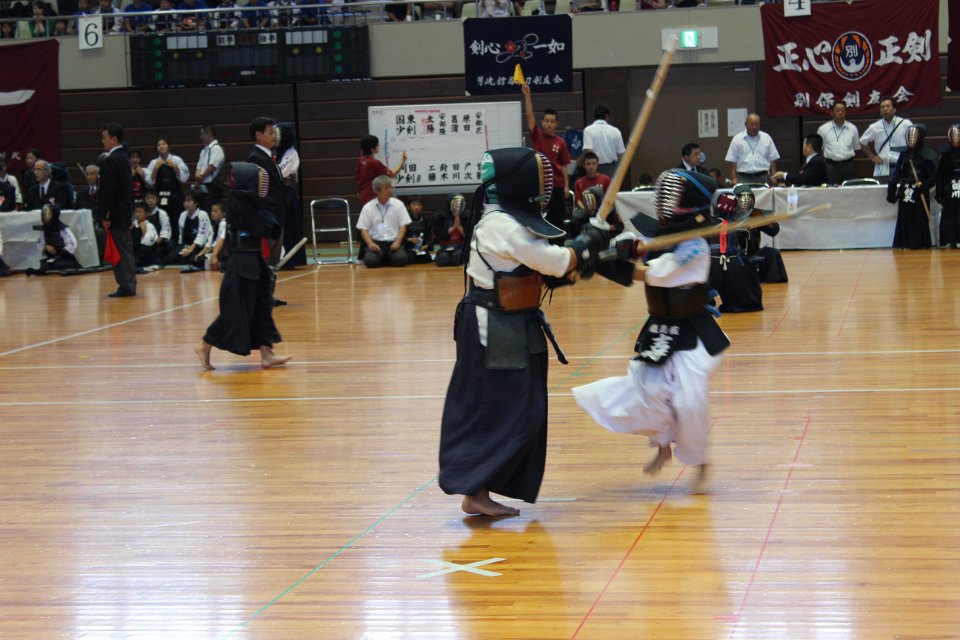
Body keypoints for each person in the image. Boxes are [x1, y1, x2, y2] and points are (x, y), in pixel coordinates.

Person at [438, 147, 611, 517]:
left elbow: (542, 269)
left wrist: (588, 247)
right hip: (494, 328)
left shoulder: (505, 220)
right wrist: (589, 241)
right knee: (504, 411)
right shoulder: (503, 225)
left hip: (511, 323)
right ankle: (475, 489)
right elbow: (556, 261)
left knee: (515, 409)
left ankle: (478, 489)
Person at [573, 169, 730, 491]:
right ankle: (662, 446)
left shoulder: (696, 248)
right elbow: (630, 245)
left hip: (693, 331)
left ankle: (700, 463)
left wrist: (610, 266)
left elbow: (654, 274)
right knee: (649, 390)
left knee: (689, 401)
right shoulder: (660, 238)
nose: (666, 202)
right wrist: (600, 247)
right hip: (661, 327)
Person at [194, 162, 290, 371]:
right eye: (259, 182)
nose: (263, 186)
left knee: (260, 306)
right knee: (239, 310)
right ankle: (204, 345)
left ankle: (267, 354)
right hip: (242, 261)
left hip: (253, 257)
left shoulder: (249, 202)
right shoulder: (241, 202)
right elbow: (265, 227)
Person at [522, 83, 571, 238]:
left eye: (552, 121)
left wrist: (566, 186)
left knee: (557, 219)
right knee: (540, 217)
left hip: (557, 186)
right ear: (542, 122)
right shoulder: (537, 136)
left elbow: (564, 166)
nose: (549, 124)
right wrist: (527, 95)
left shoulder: (561, 142)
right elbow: (529, 116)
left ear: (557, 123)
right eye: (546, 121)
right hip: (540, 186)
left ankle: (558, 247)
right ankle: (540, 246)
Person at [99, 122, 136, 297]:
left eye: (104, 137)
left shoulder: (111, 161)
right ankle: (128, 283)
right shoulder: (123, 158)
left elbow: (109, 192)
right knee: (125, 249)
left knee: (121, 250)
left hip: (115, 214)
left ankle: (126, 285)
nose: (102, 141)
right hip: (124, 211)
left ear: (114, 139)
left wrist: (106, 215)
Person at [247, 116, 286, 275]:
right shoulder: (256, 158)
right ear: (258, 135)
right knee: (265, 264)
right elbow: (258, 192)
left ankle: (269, 289)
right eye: (270, 132)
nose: (273, 136)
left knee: (273, 266)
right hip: (267, 219)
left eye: (274, 132)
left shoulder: (270, 157)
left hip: (277, 217)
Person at [887, 124, 936, 250]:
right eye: (909, 136)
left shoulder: (926, 155)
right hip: (905, 190)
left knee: (919, 217)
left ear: (920, 137)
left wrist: (924, 186)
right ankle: (904, 242)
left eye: (915, 136)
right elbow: (896, 173)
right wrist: (891, 191)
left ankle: (919, 243)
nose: (912, 139)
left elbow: (933, 176)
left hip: (920, 192)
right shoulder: (904, 154)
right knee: (905, 217)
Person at [356, 175, 410, 268]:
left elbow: (403, 226)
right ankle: (384, 258)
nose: (390, 190)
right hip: (376, 243)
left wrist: (397, 242)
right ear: (376, 190)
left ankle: (385, 258)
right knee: (370, 261)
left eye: (390, 187)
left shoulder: (398, 205)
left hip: (393, 242)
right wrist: (371, 244)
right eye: (386, 188)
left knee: (401, 260)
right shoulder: (368, 207)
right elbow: (363, 229)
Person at [860, 96, 912, 180]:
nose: (885, 109)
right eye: (882, 107)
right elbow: (862, 142)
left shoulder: (905, 123)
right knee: (883, 188)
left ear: (894, 109)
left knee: (902, 187)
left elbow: (914, 142)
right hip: (883, 166)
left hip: (902, 165)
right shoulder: (874, 127)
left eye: (888, 106)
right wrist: (872, 157)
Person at [277, 123, 306, 269]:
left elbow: (282, 172)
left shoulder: (291, 153)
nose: (275, 137)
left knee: (289, 227)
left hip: (287, 194)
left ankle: (291, 260)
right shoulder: (276, 152)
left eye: (278, 134)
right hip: (277, 193)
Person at [725, 113, 779, 185]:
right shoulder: (737, 139)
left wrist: (774, 176)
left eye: (757, 124)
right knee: (745, 193)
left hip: (763, 176)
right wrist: (734, 178)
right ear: (745, 124)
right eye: (752, 124)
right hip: (743, 177)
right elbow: (732, 161)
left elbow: (773, 159)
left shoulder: (766, 138)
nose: (755, 127)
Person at [26, 204, 81, 275]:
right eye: (44, 214)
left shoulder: (63, 230)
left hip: (64, 257)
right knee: (45, 266)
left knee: (59, 265)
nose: (45, 216)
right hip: (51, 258)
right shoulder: (43, 230)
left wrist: (61, 251)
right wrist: (46, 247)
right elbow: (40, 243)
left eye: (48, 214)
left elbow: (72, 243)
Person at [355, 134, 406, 206]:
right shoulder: (374, 162)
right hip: (372, 196)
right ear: (372, 148)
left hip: (363, 195)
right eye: (377, 145)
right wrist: (402, 161)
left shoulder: (361, 160)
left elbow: (358, 178)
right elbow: (391, 175)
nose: (378, 147)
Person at [817, 102, 860, 185]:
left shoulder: (853, 128)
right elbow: (820, 149)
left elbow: (856, 148)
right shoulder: (823, 129)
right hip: (830, 166)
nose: (840, 112)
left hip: (848, 166)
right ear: (831, 113)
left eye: (843, 110)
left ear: (846, 113)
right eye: (837, 110)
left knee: (849, 189)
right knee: (831, 190)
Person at [582, 104, 625, 177]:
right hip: (612, 169)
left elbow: (588, 151)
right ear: (607, 117)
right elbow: (621, 155)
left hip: (594, 168)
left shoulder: (588, 130)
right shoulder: (616, 131)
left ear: (594, 117)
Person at [936, 124, 960, 248]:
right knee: (950, 215)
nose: (956, 138)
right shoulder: (945, 154)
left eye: (958, 135)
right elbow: (940, 175)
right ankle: (951, 239)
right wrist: (939, 193)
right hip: (949, 189)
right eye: (954, 135)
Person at [176, 190, 214, 268]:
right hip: (186, 246)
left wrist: (190, 249)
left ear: (196, 203)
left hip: (199, 247)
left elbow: (202, 235)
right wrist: (183, 248)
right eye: (184, 201)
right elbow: (181, 234)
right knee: (172, 257)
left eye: (189, 201)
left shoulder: (202, 214)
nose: (186, 203)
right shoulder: (182, 215)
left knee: (196, 259)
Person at [195, 125, 227, 211]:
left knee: (211, 212)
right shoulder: (203, 151)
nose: (201, 137)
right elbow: (198, 169)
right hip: (203, 187)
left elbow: (211, 167)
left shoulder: (216, 148)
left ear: (209, 134)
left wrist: (201, 177)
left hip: (213, 188)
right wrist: (198, 177)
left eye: (202, 134)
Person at [433, 194, 466, 267]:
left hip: (460, 246)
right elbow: (440, 235)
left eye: (459, 204)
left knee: (457, 258)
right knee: (443, 259)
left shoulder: (466, 216)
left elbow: (469, 237)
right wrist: (454, 227)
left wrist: (459, 226)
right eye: (455, 203)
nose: (457, 206)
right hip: (445, 245)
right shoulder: (440, 216)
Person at [130, 200, 160, 270]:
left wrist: (142, 232)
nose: (137, 214)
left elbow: (147, 245)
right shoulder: (132, 226)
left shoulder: (149, 226)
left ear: (147, 214)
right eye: (136, 212)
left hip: (145, 255)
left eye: (140, 212)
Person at [403, 195, 433, 264]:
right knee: (409, 258)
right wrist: (409, 239)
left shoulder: (426, 221)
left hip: (421, 248)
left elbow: (429, 237)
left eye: (419, 205)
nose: (416, 207)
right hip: (408, 248)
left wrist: (426, 245)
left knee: (426, 258)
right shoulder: (404, 220)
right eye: (414, 204)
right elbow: (399, 237)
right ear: (408, 206)